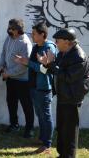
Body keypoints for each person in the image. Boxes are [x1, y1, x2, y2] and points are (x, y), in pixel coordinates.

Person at [37, 28, 89, 158]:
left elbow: (68, 77)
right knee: (62, 128)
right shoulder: (64, 52)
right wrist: (46, 64)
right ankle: (62, 154)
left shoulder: (79, 56)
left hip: (72, 98)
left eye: (57, 40)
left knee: (70, 131)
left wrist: (51, 65)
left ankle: (69, 156)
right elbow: (56, 70)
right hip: (64, 96)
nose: (55, 43)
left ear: (67, 42)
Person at [14, 23, 56, 153]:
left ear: (42, 34)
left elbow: (46, 70)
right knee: (40, 115)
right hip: (34, 86)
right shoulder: (37, 46)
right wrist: (24, 62)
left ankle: (47, 144)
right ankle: (43, 138)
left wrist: (28, 62)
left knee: (46, 116)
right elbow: (35, 65)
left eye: (34, 34)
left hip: (43, 88)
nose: (32, 36)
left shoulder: (49, 48)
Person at [0, 18, 34, 138]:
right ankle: (14, 124)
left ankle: (29, 129)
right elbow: (3, 52)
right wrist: (2, 65)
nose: (8, 30)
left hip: (23, 80)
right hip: (10, 79)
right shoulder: (9, 38)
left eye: (11, 28)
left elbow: (24, 66)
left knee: (26, 105)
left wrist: (9, 73)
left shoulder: (25, 43)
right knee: (11, 102)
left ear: (17, 30)